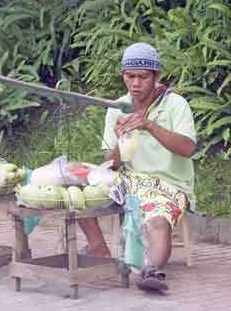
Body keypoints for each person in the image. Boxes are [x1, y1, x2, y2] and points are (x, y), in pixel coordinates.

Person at [78, 42, 196, 291]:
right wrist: (121, 142)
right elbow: (111, 161)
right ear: (123, 76)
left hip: (167, 184)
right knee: (75, 180)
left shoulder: (175, 104)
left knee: (157, 220)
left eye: (143, 77)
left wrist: (149, 125)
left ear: (156, 77)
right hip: (127, 178)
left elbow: (187, 148)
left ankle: (153, 271)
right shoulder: (118, 107)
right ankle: (98, 247)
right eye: (130, 77)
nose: (136, 84)